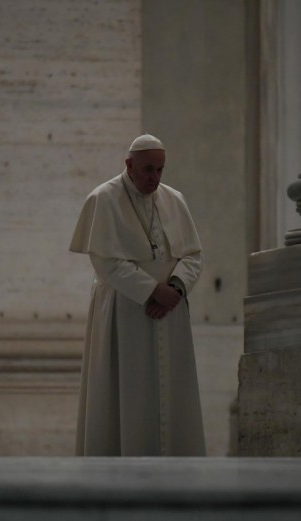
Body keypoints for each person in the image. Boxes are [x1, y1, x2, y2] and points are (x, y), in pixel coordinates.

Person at [69, 134, 206, 456]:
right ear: (129, 165)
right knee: (125, 392)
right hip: (125, 310)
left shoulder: (174, 200)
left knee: (171, 394)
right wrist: (151, 291)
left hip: (170, 311)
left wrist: (175, 288)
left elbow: (193, 255)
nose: (154, 178)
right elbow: (105, 262)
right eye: (147, 170)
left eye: (160, 170)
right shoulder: (103, 199)